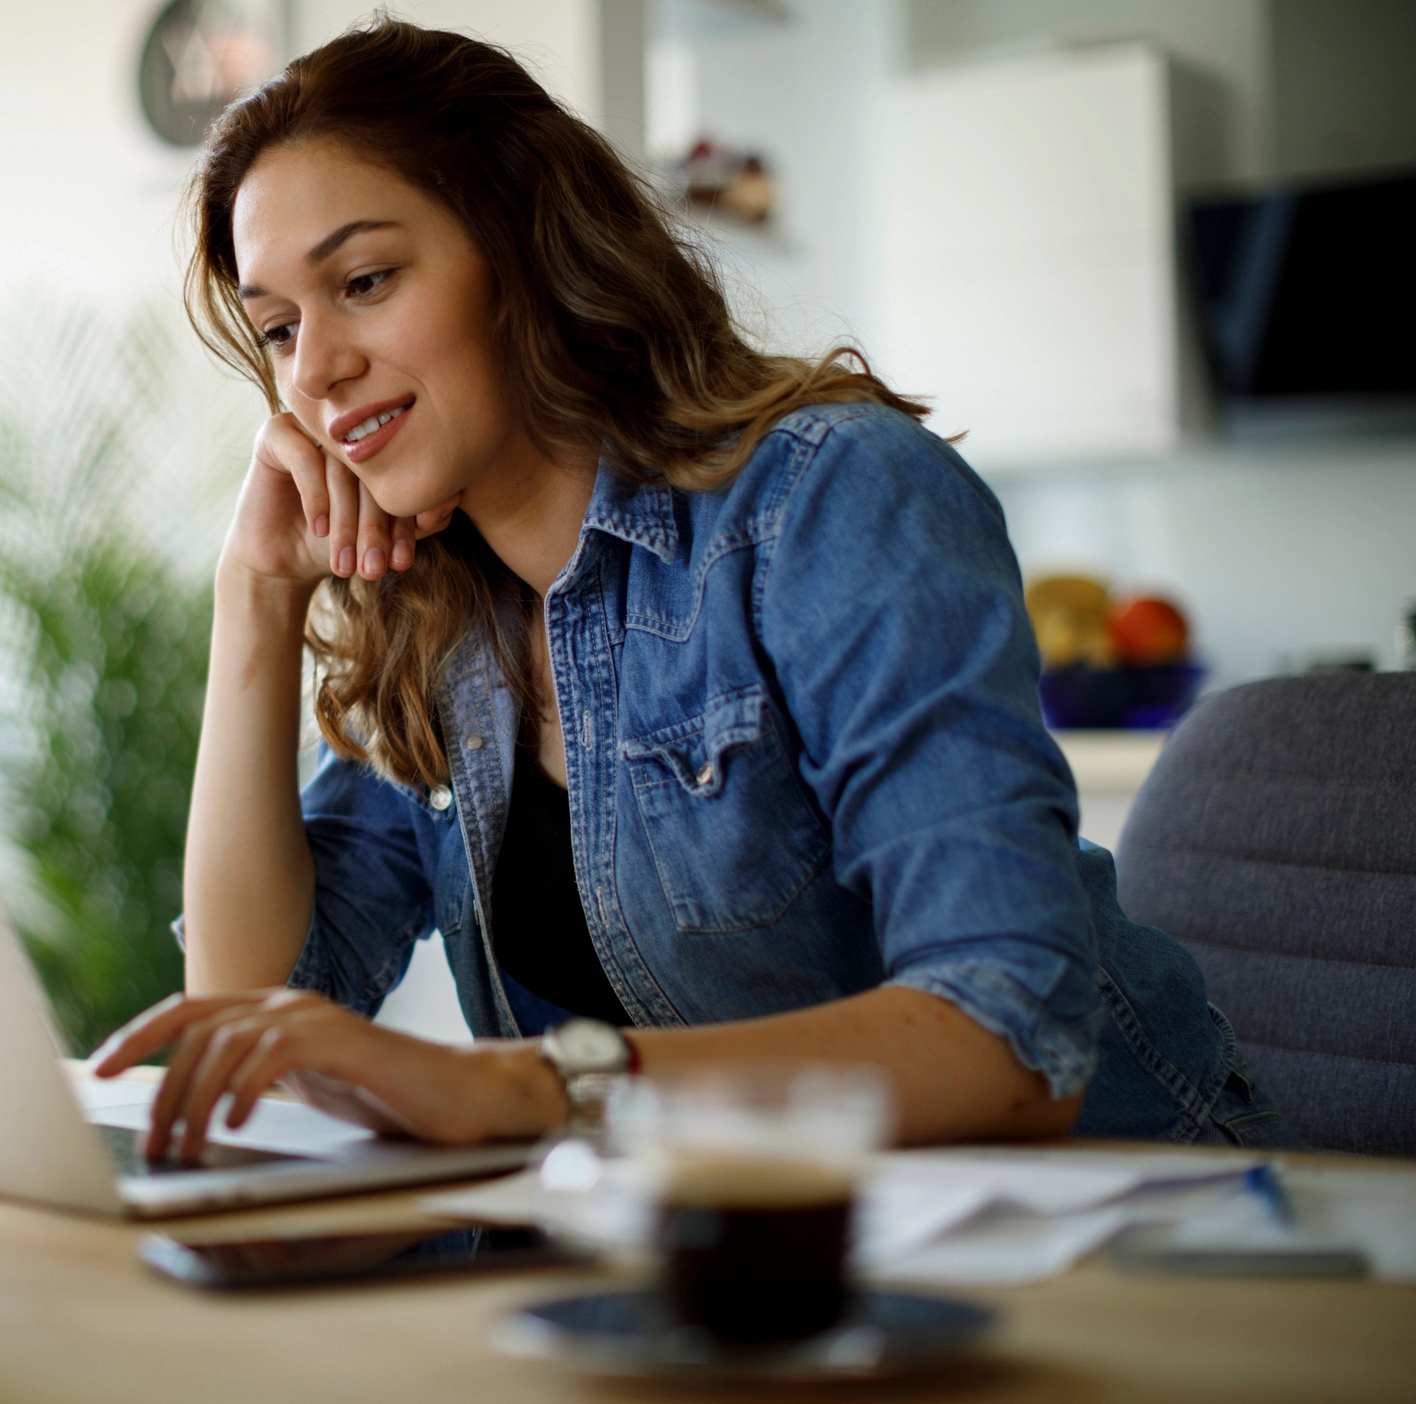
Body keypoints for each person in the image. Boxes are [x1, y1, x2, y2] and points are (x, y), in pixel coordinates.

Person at [92, 20, 1295, 1160]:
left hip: (1103, 1234)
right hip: (709, 1249)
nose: (320, 371)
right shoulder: (438, 611)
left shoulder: (830, 502)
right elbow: (259, 1018)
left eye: (364, 281)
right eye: (279, 330)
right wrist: (254, 599)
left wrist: (528, 1091)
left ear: (521, 246)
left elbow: (1011, 1032)